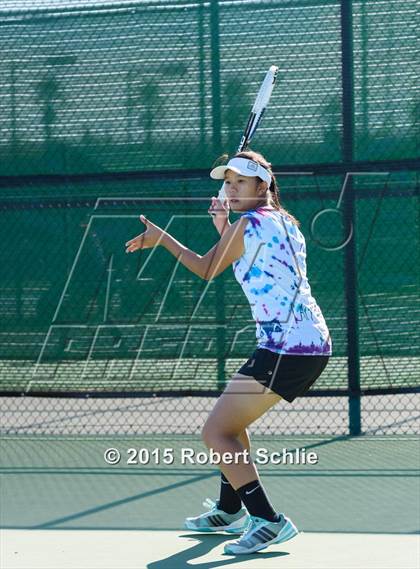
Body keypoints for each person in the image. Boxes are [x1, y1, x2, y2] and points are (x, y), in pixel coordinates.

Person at [125, 150, 332, 555]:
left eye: (241, 182)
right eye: (228, 181)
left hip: (287, 347)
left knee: (215, 433)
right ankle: (228, 508)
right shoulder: (285, 223)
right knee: (232, 426)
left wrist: (162, 238)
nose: (231, 188)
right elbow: (249, 259)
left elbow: (207, 268)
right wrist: (225, 226)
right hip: (305, 342)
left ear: (263, 186)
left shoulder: (250, 223)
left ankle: (268, 520)